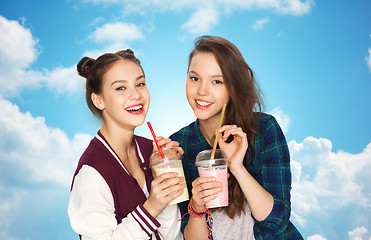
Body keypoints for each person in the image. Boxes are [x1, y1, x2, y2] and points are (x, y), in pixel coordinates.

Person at [170, 36, 303, 239]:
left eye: (217, 81)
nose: (202, 91)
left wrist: (236, 167)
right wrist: (196, 206)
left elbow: (277, 222)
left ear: (232, 87)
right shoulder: (179, 146)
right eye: (194, 78)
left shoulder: (263, 129)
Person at [68, 49, 185, 240]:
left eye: (140, 84)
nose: (136, 95)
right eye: (121, 88)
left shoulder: (151, 151)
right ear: (99, 100)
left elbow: (172, 236)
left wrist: (162, 171)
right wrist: (152, 206)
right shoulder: (92, 172)